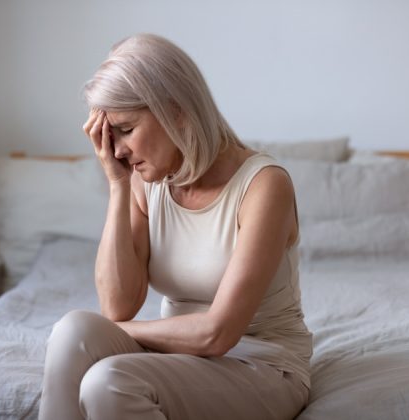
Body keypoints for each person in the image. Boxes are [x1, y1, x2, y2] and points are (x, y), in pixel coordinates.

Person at [38, 33, 312, 420]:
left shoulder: (264, 185)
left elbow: (218, 333)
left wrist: (129, 332)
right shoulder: (144, 182)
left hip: (264, 365)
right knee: (72, 330)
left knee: (108, 380)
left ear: (176, 110)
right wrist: (117, 186)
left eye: (127, 130)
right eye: (109, 135)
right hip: (180, 358)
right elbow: (117, 306)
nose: (117, 151)